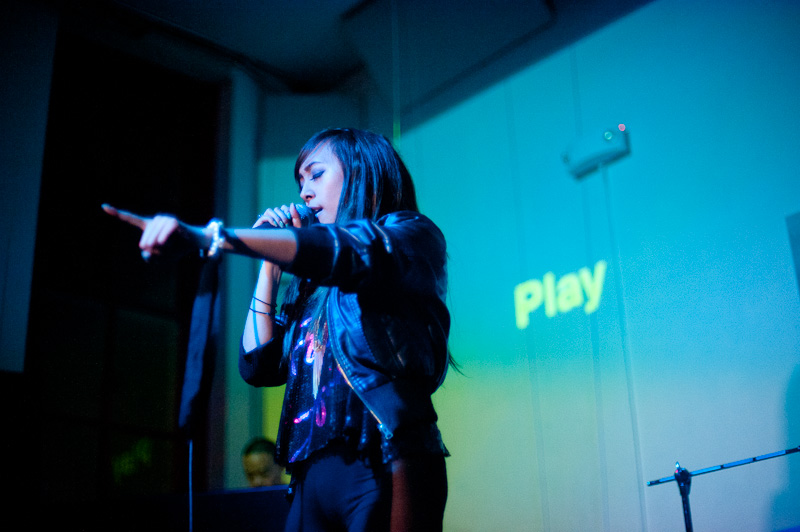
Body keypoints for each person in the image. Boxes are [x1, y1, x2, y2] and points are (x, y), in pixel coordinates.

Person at [103, 127, 452, 532]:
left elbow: (351, 249)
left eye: (316, 174)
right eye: (301, 181)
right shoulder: (312, 285)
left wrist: (215, 237)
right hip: (309, 477)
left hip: (383, 458)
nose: (304, 192)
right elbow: (258, 365)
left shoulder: (410, 235)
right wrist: (269, 265)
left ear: (362, 172)